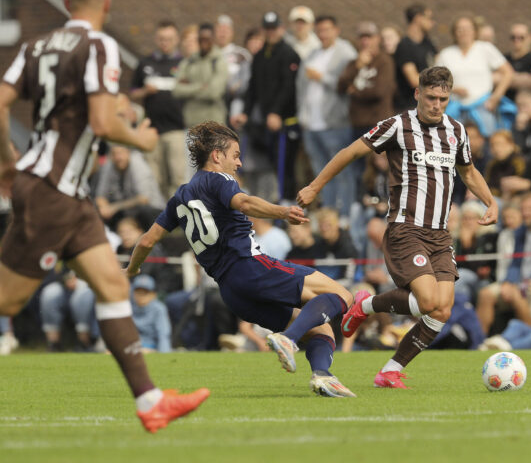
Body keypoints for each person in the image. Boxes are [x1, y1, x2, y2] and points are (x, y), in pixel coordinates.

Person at [0, 0, 208, 433]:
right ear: (107, 5)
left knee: (114, 287)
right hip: (55, 190)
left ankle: (150, 401)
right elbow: (101, 122)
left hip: (65, 192)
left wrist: (6, 162)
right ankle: (150, 400)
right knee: (7, 302)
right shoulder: (98, 45)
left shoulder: (34, 46)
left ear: (67, 4)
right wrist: (140, 140)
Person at [297, 66, 499, 388]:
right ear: (418, 94)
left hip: (440, 234)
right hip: (406, 229)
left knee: (442, 311)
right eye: (431, 97)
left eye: (443, 99)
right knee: (429, 301)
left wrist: (491, 202)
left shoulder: (456, 131)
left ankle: (389, 370)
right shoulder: (397, 126)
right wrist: (315, 186)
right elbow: (351, 152)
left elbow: (469, 171)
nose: (436, 104)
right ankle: (363, 306)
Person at [126, 121, 356, 397]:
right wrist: (283, 212)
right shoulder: (219, 179)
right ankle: (289, 340)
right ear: (216, 156)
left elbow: (147, 240)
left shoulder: (180, 197)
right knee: (343, 295)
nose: (239, 163)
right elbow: (244, 203)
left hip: (232, 293)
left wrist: (132, 268)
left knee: (320, 327)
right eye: (235, 155)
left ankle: (323, 376)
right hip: (251, 267)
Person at [232, 11, 301, 202]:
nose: (271, 33)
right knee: (270, 163)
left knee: (286, 164)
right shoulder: (261, 55)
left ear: (281, 29)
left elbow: (288, 87)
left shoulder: (289, 54)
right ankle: (273, 202)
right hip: (265, 120)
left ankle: (288, 202)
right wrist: (245, 112)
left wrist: (276, 112)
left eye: (274, 29)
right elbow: (253, 88)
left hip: (285, 120)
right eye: (267, 29)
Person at [475, 192, 531, 334]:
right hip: (517, 281)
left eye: (529, 209)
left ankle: (530, 340)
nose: (525, 213)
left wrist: (519, 285)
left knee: (517, 294)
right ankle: (478, 343)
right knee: (485, 294)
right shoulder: (520, 232)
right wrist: (507, 282)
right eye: (523, 209)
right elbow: (515, 263)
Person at [296, 15, 358, 217]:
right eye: (320, 30)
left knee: (341, 172)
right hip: (311, 124)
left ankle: (344, 217)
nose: (323, 34)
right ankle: (328, 215)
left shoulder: (345, 52)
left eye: (327, 30)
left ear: (336, 30)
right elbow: (300, 86)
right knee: (319, 174)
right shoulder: (313, 54)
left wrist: (321, 77)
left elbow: (347, 83)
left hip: (335, 123)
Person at [129, 20, 187, 198]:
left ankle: (177, 219)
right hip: (153, 130)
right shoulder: (145, 63)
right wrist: (145, 91)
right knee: (155, 179)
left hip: (177, 129)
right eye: (161, 39)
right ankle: (161, 220)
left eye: (169, 39)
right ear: (156, 39)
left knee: (177, 179)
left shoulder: (184, 64)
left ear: (176, 39)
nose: (165, 43)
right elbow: (133, 93)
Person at [436, 16, 513, 136]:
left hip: (483, 107)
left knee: (488, 142)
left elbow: (508, 72)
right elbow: (435, 83)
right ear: (454, 32)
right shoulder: (445, 54)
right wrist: (453, 89)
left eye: (467, 28)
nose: (463, 32)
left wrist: (495, 98)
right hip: (456, 107)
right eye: (459, 29)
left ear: (475, 31)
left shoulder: (485, 48)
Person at [337, 21, 396, 139]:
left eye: (369, 37)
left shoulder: (384, 61)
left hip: (378, 123)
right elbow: (340, 87)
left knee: (379, 158)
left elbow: (378, 92)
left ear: (378, 39)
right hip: (357, 123)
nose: (365, 42)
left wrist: (353, 91)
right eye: (362, 38)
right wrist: (357, 67)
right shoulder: (354, 62)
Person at [94, 144, 165, 229]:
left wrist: (114, 208)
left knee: (145, 212)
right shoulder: (109, 165)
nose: (118, 157)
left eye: (121, 153)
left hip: (151, 209)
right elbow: (100, 196)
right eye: (114, 154)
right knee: (97, 213)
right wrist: (104, 208)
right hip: (125, 211)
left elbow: (144, 199)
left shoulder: (137, 164)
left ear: (128, 153)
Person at [172, 23, 229, 128]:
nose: (204, 42)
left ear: (213, 39)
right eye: (201, 39)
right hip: (191, 123)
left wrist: (189, 87)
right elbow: (176, 90)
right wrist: (201, 86)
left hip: (214, 124)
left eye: (207, 39)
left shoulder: (218, 61)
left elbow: (214, 92)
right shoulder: (189, 62)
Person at [39, 267, 98, 352]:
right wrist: (66, 279)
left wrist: (79, 281)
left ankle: (85, 343)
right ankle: (54, 344)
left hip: (89, 284)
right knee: (49, 293)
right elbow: (62, 272)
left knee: (81, 296)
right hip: (65, 286)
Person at [393, 4, 437, 112]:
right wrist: (440, 80)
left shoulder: (428, 44)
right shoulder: (405, 45)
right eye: (429, 18)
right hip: (409, 108)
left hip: (428, 105)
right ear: (418, 18)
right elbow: (413, 79)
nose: (433, 22)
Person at [130, 274, 171, 353]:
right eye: (138, 292)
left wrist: (164, 355)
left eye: (145, 292)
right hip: (129, 346)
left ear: (153, 294)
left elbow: (163, 334)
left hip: (151, 348)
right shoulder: (127, 307)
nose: (141, 296)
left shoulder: (159, 309)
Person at [504, 22, 531, 103]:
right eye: (513, 37)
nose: (516, 40)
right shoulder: (503, 59)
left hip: (523, 106)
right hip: (503, 105)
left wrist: (504, 78)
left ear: (530, 38)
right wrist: (518, 78)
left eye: (521, 37)